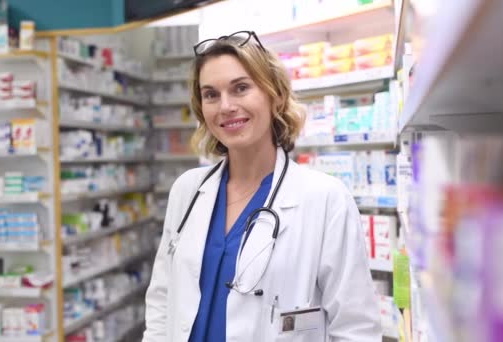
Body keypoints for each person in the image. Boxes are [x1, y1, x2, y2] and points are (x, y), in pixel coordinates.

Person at [143, 31, 381, 342]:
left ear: (276, 95)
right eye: (211, 94)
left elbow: (355, 329)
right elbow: (162, 298)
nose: (225, 106)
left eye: (241, 88)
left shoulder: (324, 198)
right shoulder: (187, 190)